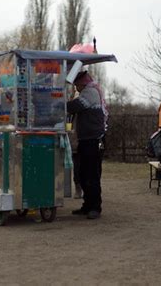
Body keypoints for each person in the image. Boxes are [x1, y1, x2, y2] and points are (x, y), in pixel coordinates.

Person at [67, 70, 107, 219]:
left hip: (93, 139)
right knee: (84, 173)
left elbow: (76, 106)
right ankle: (87, 205)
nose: (76, 87)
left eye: (76, 84)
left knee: (92, 174)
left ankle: (95, 207)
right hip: (86, 139)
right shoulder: (89, 91)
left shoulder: (90, 92)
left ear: (82, 82)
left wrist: (59, 103)